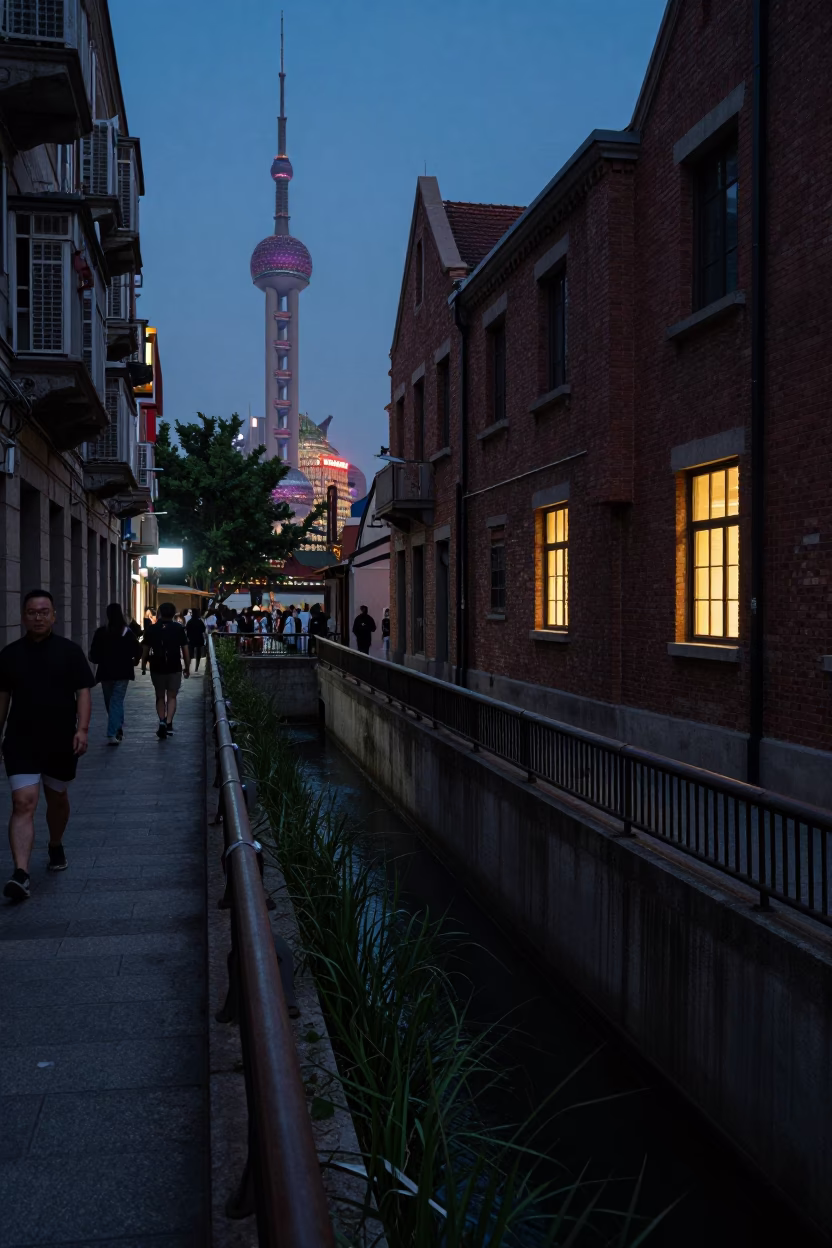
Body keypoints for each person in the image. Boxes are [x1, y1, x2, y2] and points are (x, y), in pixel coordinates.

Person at [0, 589, 94, 900]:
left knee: (57, 799)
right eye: (32, 612)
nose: (38, 617)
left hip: (60, 740)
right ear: (23, 616)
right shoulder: (10, 655)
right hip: (20, 740)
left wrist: (82, 730)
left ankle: (55, 843)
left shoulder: (69, 652)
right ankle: (21, 873)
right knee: (23, 802)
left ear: (53, 615)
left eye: (44, 612)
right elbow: (3, 700)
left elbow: (83, 692)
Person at [89, 602, 142, 745]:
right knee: (115, 702)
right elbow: (138, 649)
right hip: (123, 671)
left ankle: (112, 733)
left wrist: (98, 658)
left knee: (111, 702)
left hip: (106, 672)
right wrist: (135, 661)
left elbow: (93, 653)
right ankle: (117, 726)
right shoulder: (127, 632)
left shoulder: (101, 632)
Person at [141, 601, 190, 740]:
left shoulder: (152, 629)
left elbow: (145, 649)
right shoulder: (179, 628)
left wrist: (144, 665)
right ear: (174, 613)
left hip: (157, 666)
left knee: (160, 695)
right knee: (172, 696)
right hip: (174, 666)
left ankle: (162, 720)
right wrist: (187, 666)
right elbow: (185, 650)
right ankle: (168, 723)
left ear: (160, 613)